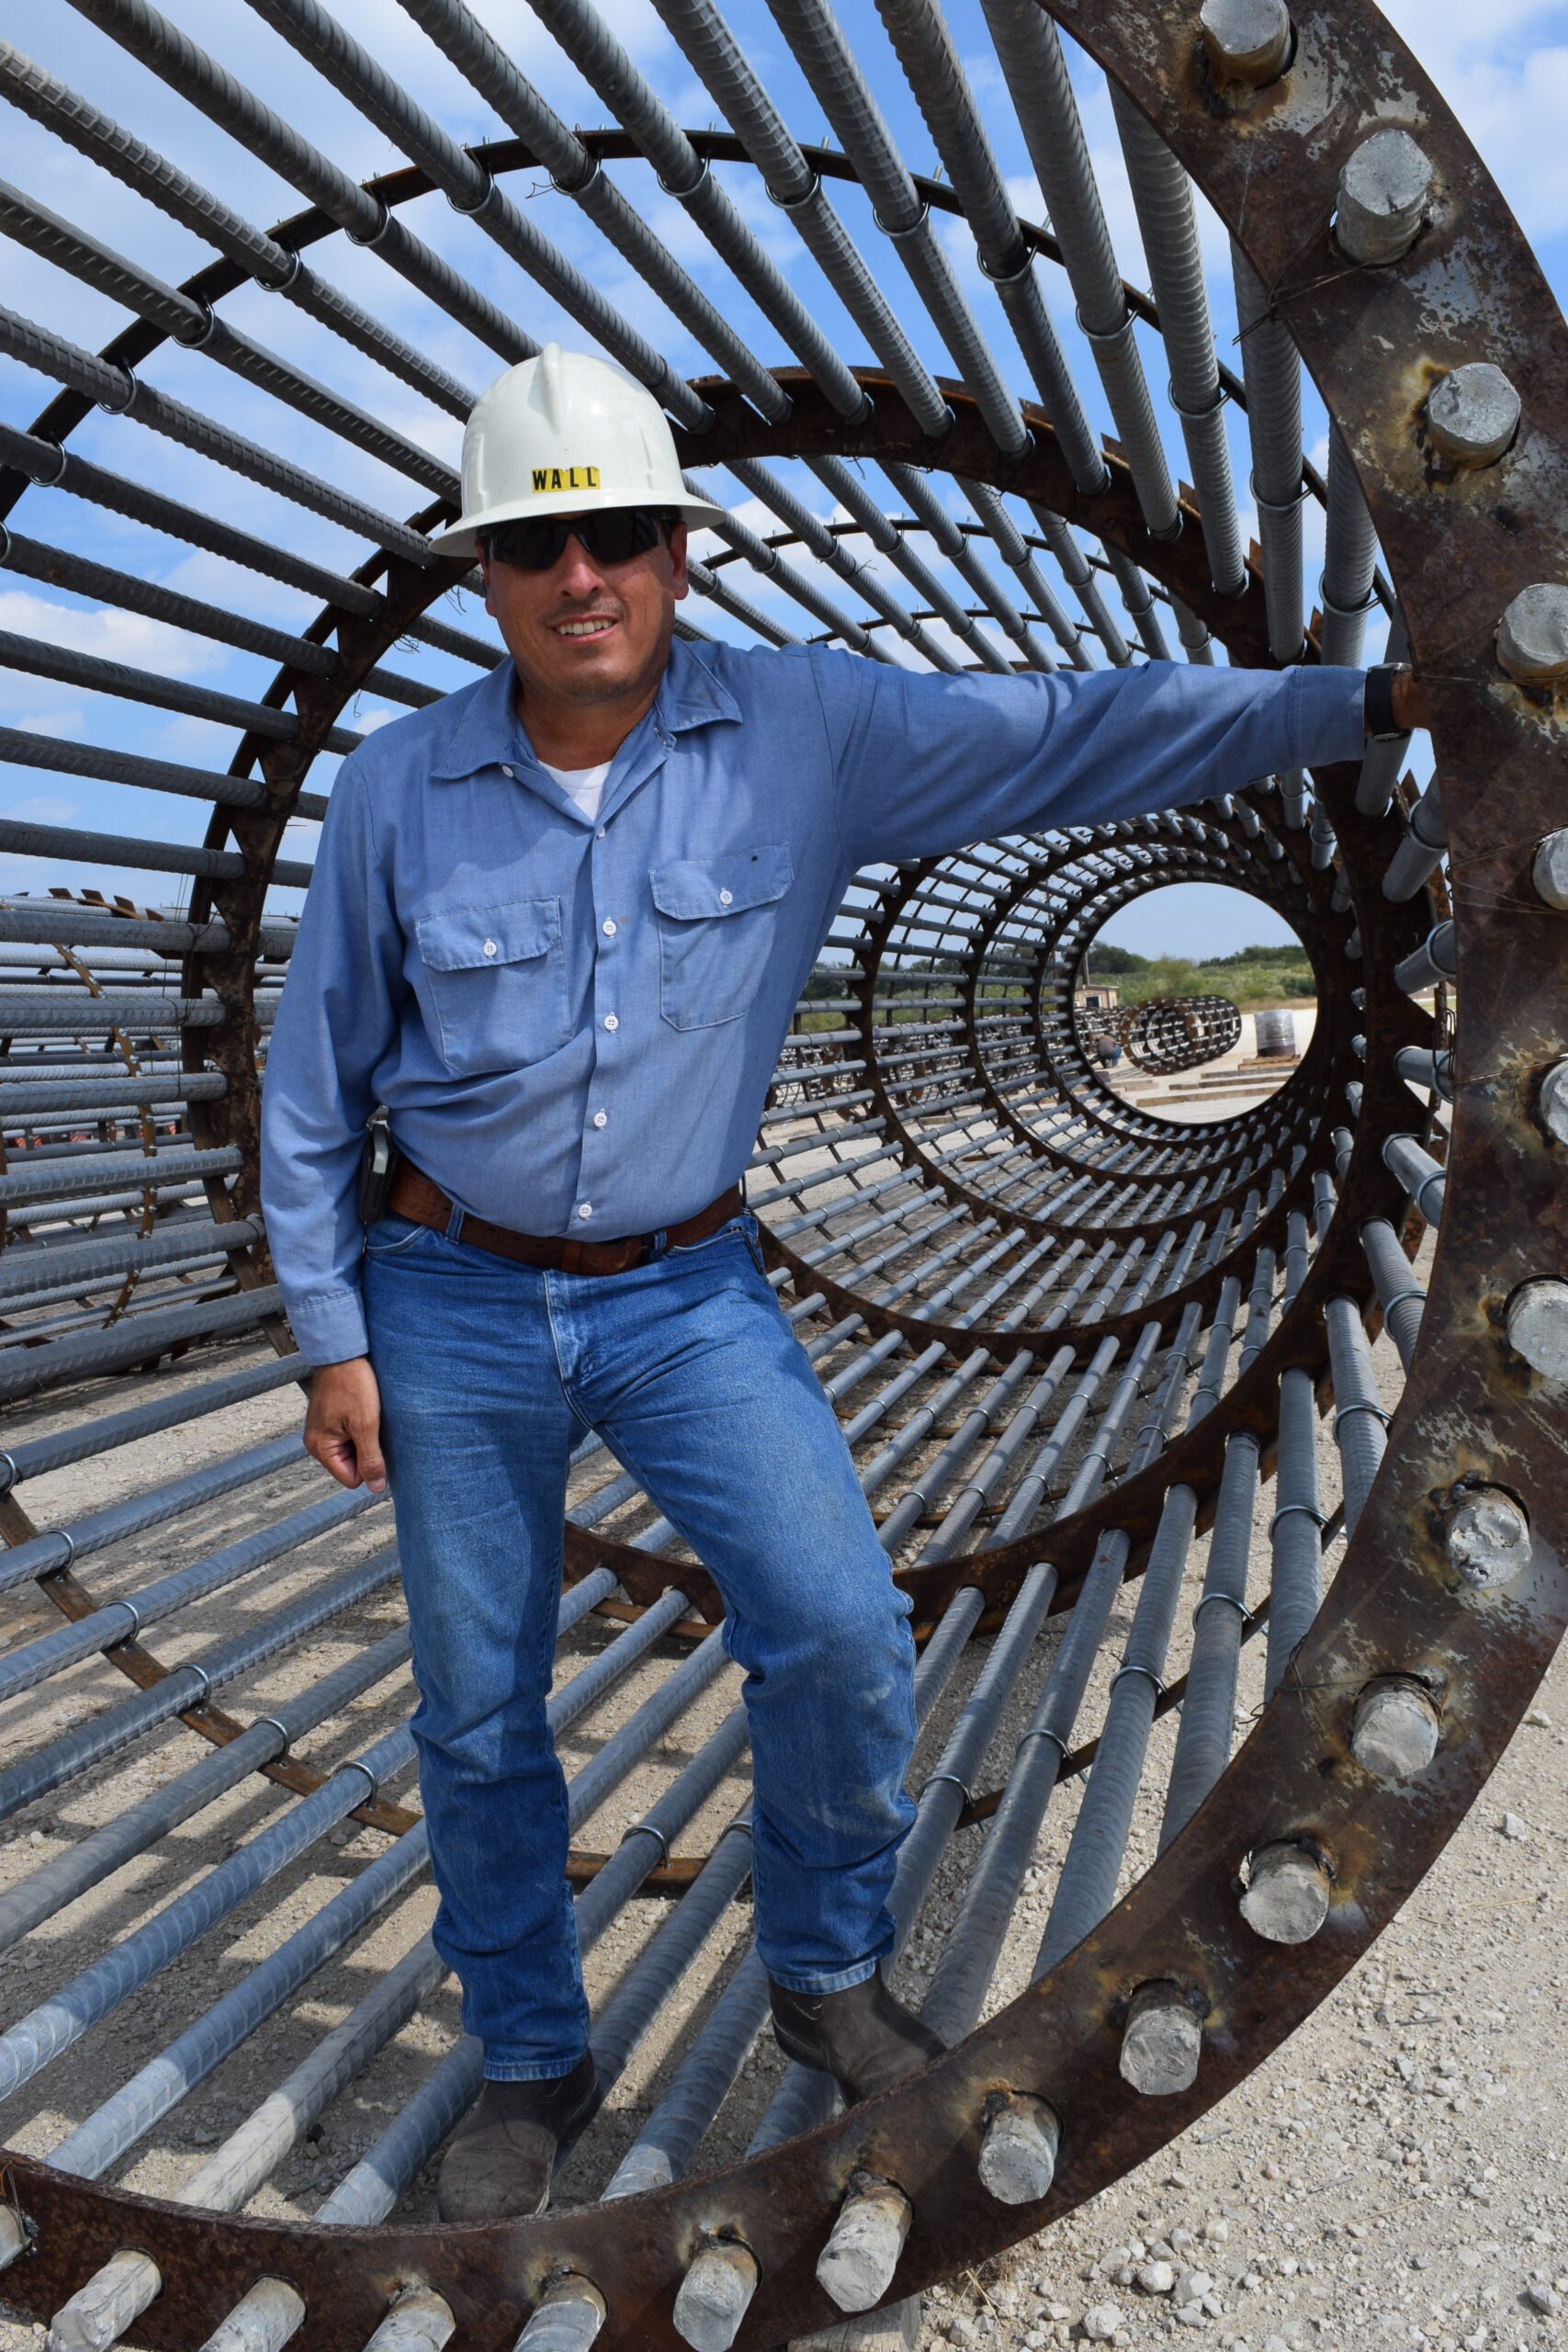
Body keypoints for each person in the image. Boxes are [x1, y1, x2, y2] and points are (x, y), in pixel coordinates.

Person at [261, 344, 1425, 2221]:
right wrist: (331, 1334)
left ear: (679, 554)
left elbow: (1074, 728)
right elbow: (314, 1081)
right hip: (448, 1293)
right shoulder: (404, 787)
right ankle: (531, 2057)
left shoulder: (800, 728)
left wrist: (1358, 698)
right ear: (479, 575)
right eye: (536, 549)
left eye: (619, 537)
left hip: (682, 1290)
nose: (584, 580)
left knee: (832, 1625)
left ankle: (819, 1971)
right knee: (477, 1708)